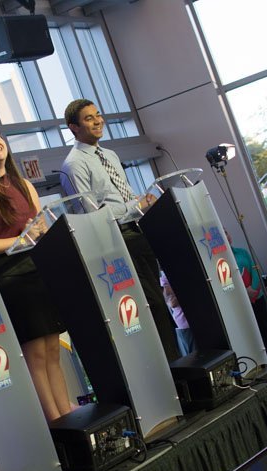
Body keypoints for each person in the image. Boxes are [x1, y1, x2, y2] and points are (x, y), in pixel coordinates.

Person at [0, 127, 73, 421]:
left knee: (53, 350)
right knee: (36, 355)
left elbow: (42, 226)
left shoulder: (23, 184)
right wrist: (21, 240)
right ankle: (55, 424)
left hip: (38, 271)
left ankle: (70, 418)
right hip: (12, 277)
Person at [60, 98, 180, 362]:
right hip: (113, 242)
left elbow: (121, 198)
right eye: (89, 118)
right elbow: (90, 216)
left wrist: (140, 202)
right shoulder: (74, 165)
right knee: (149, 307)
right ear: (73, 128)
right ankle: (166, 369)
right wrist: (134, 206)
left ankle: (174, 364)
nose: (98, 120)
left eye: (98, 114)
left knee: (158, 303)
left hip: (137, 233)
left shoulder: (110, 155)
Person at [228, 232, 267, 351]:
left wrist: (253, 290)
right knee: (250, 333)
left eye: (226, 232)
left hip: (257, 296)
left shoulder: (242, 252)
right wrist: (244, 292)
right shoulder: (219, 260)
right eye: (222, 233)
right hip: (240, 302)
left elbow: (255, 271)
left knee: (265, 328)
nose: (226, 236)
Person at [159, 272, 196, 356]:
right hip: (184, 323)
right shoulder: (165, 279)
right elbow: (172, 303)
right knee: (194, 355)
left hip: (187, 322)